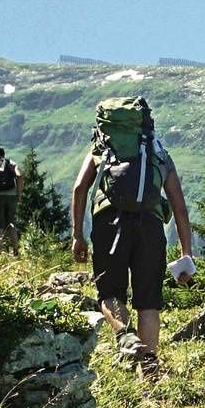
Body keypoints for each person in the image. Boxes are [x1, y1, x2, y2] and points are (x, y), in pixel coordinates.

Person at [70, 99, 195, 375]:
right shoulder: (159, 154)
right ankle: (149, 372)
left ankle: (126, 336)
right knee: (148, 301)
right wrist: (187, 254)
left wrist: (77, 235)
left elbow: (80, 189)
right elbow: (180, 208)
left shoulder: (101, 149)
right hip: (150, 226)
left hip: (108, 224)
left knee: (110, 294)